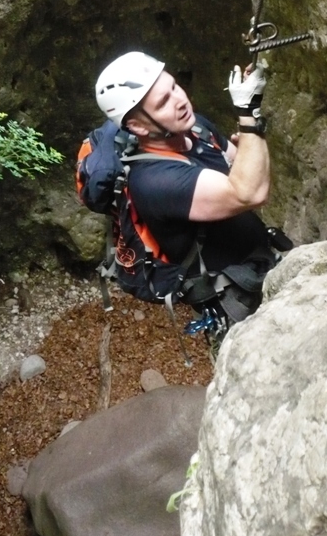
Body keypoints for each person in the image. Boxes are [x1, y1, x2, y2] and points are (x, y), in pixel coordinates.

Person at [95, 51, 288, 329]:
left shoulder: (195, 127)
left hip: (258, 258)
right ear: (137, 126)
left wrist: (249, 141)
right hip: (234, 295)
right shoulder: (154, 182)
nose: (180, 101)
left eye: (174, 87)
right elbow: (251, 193)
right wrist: (248, 114)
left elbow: (238, 163)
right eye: (163, 103)